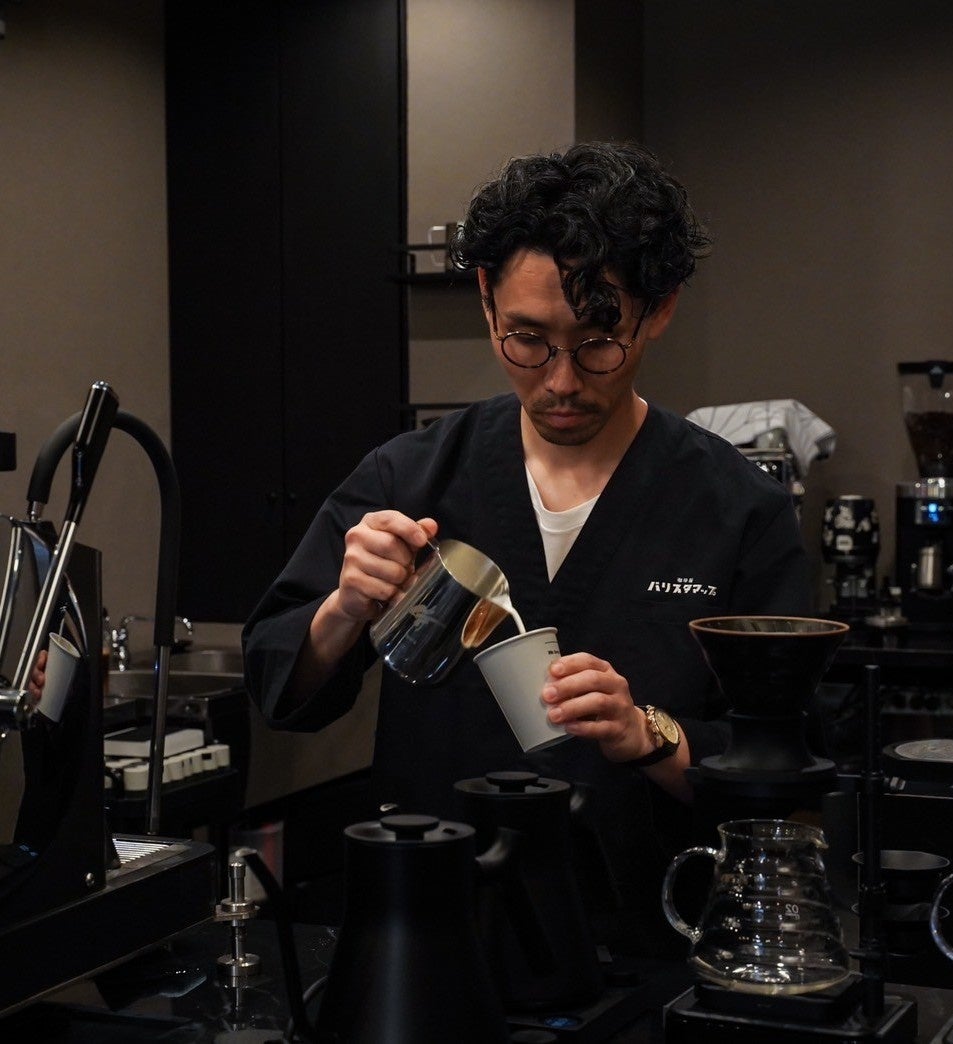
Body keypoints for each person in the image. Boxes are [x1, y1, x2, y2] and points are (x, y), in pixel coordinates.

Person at [242, 141, 811, 953]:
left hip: (646, 938)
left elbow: (785, 762)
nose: (561, 381)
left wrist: (649, 734)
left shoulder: (736, 508)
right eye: (527, 339)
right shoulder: (410, 477)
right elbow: (278, 685)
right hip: (434, 926)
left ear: (658, 310)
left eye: (598, 340)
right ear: (486, 300)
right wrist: (343, 609)